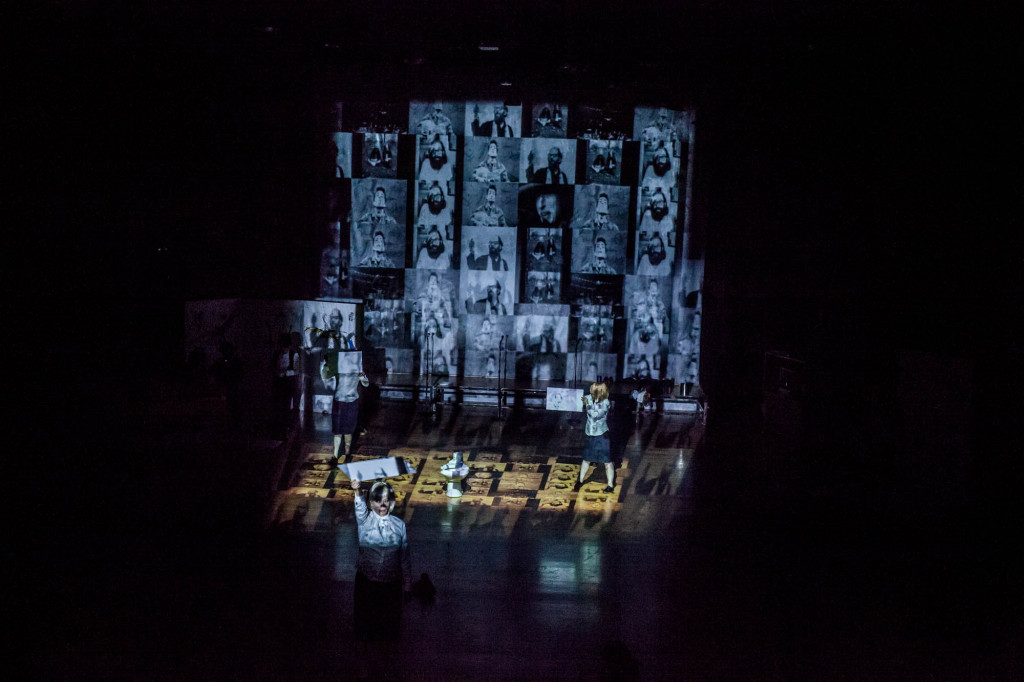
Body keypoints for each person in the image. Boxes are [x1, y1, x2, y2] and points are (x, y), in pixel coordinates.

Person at [348, 477, 412, 647]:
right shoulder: (365, 520)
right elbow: (359, 507)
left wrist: (407, 586)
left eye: (386, 500)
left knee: (388, 631)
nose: (382, 505)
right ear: (371, 502)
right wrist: (357, 490)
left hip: (390, 585)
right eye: (378, 500)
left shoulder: (399, 525)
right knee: (365, 628)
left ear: (391, 502)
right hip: (367, 582)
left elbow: (404, 558)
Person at [321, 353, 369, 458]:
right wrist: (326, 365)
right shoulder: (339, 369)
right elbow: (325, 375)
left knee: (348, 430)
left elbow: (366, 383)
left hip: (351, 402)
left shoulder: (357, 370)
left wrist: (363, 377)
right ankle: (335, 455)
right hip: (339, 402)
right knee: (338, 430)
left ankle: (347, 451)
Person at [579, 381, 615, 493]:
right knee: (586, 459)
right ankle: (580, 480)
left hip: (601, 436)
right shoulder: (590, 397)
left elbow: (594, 415)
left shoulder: (606, 402)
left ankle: (610, 485)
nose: (590, 393)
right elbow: (583, 398)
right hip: (590, 434)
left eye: (592, 391)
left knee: (607, 462)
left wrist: (587, 404)